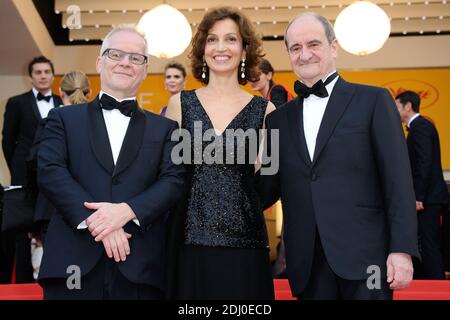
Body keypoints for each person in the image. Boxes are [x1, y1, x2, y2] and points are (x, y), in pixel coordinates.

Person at [259, 13, 419, 300]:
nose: (304, 54)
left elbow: (397, 181)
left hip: (368, 259)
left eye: (314, 44)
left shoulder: (373, 101)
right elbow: (265, 188)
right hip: (308, 263)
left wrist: (402, 249)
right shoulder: (277, 120)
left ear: (334, 47)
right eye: (295, 48)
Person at [36, 26, 185, 299]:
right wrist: (100, 221)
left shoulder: (166, 128)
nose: (125, 62)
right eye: (115, 54)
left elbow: (174, 181)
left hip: (140, 268)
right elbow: (49, 170)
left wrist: (127, 211)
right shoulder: (63, 118)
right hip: (72, 264)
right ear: (99, 62)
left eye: (135, 57)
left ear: (144, 69)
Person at [165, 6, 276, 300]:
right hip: (189, 241)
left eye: (231, 39)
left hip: (246, 243)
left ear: (244, 48)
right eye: (212, 40)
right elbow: (167, 177)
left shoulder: (266, 111)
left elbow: (270, 183)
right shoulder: (179, 104)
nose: (220, 48)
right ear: (203, 49)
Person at [2, 55, 62, 283]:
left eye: (47, 71)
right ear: (30, 77)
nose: (43, 76)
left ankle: (52, 277)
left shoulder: (62, 102)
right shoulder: (16, 102)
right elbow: (7, 141)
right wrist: (18, 170)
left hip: (54, 176)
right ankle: (24, 282)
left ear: (53, 75)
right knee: (21, 228)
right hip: (24, 177)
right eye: (38, 72)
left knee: (51, 223)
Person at [27, 71, 92, 245]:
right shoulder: (102, 124)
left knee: (58, 271)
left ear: (61, 92)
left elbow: (34, 163)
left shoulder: (50, 121)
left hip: (52, 209)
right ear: (90, 92)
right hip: (94, 211)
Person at [395, 90, 448, 280]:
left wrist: (418, 196)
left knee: (429, 243)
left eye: (397, 106)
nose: (395, 110)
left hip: (428, 198)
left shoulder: (421, 127)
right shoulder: (419, 127)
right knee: (427, 242)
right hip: (428, 196)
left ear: (408, 106)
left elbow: (424, 164)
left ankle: (437, 284)